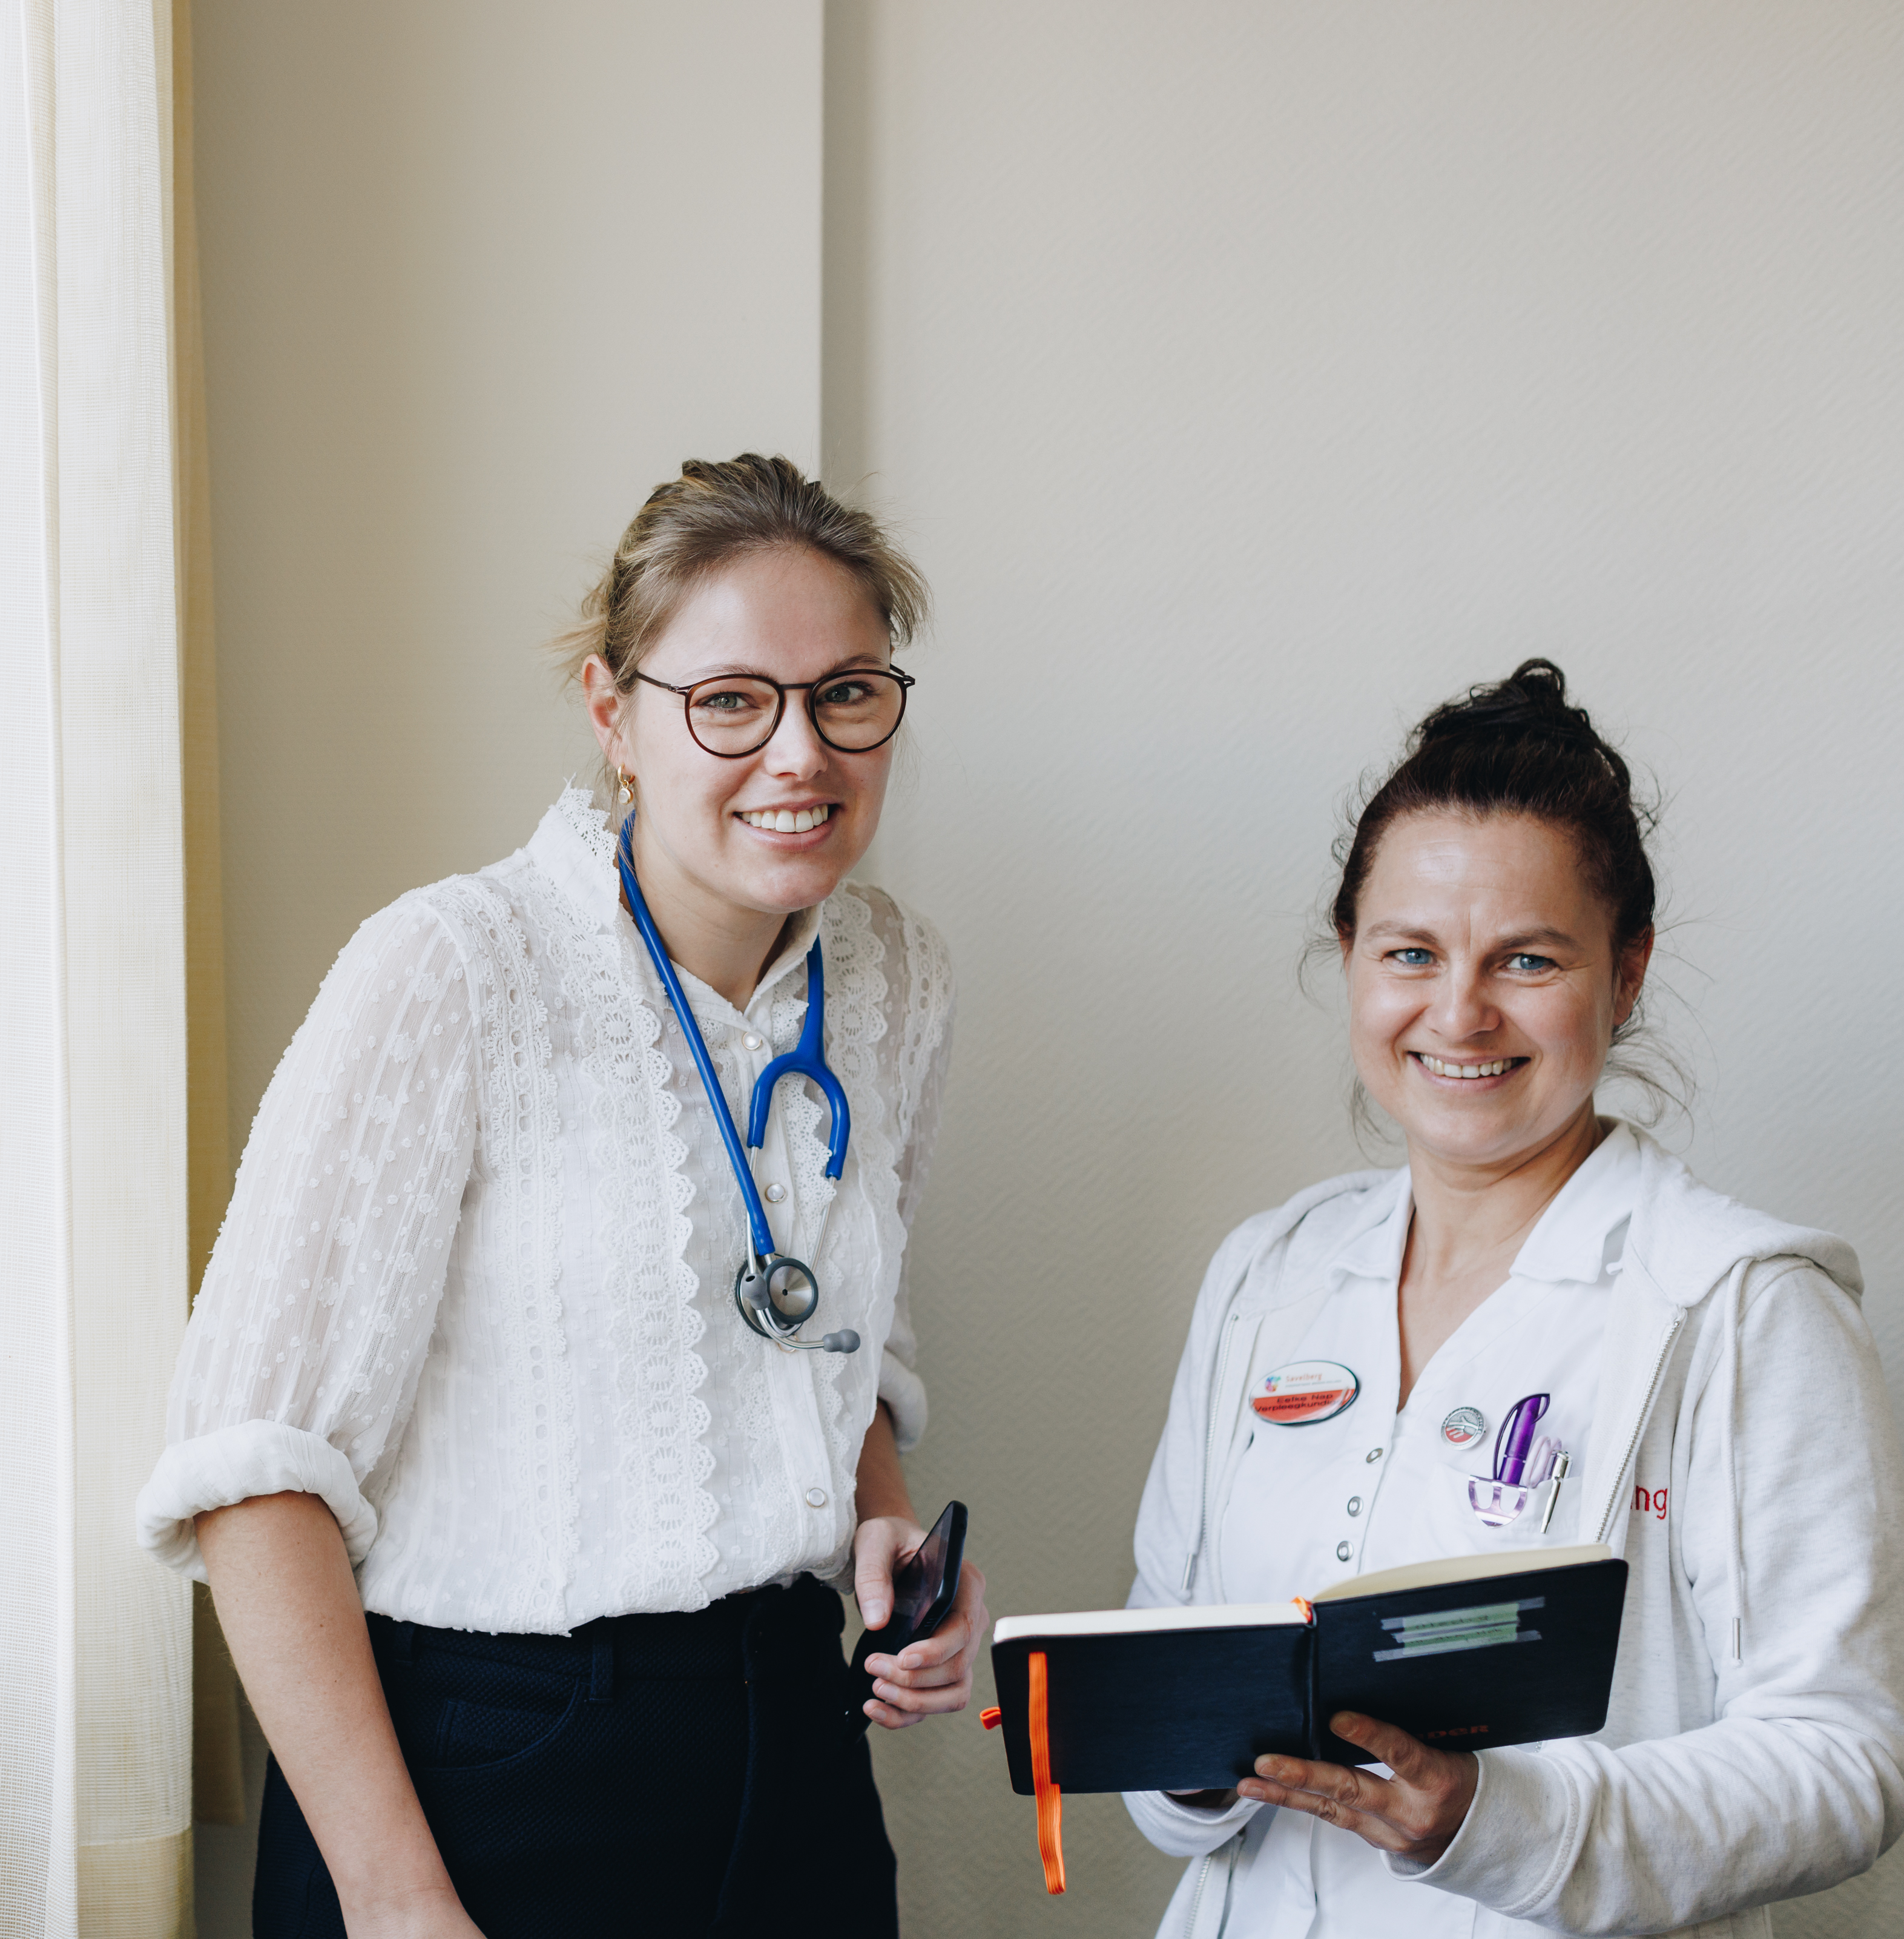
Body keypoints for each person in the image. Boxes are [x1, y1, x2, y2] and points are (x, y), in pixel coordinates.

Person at [135, 455, 985, 1937]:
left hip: (792, 1752)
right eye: (731, 700)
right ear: (616, 715)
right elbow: (251, 1472)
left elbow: (838, 1336)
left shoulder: (896, 976)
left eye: (847, 691)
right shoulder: (457, 968)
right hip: (486, 1767)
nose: (800, 754)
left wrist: (886, 1527)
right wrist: (399, 1899)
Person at [1121, 661, 1904, 1938]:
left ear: (1627, 972)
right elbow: (1170, 1730)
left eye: (1527, 958)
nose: (1460, 1011)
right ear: (1353, 960)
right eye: (1411, 952)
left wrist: (1495, 1815)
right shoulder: (1268, 1272)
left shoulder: (1743, 1304)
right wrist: (1193, 1753)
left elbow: (1846, 1756)